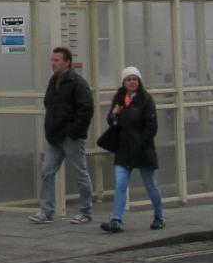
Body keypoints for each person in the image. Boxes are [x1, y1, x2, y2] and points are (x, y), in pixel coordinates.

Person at [31, 46, 95, 224]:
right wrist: (50, 128)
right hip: (55, 136)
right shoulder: (54, 81)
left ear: (67, 62)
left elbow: (86, 109)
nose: (53, 63)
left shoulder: (78, 83)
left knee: (80, 173)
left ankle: (85, 211)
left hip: (71, 136)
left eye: (57, 60)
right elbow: (49, 104)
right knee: (47, 171)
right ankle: (46, 212)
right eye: (52, 60)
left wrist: (74, 131)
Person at [100, 66, 165, 233]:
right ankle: (116, 220)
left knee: (150, 184)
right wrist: (114, 114)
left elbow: (152, 127)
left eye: (134, 79)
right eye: (128, 79)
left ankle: (159, 216)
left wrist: (141, 142)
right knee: (120, 184)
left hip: (142, 149)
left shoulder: (146, 100)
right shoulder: (120, 98)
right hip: (124, 149)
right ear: (123, 82)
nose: (132, 82)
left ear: (139, 81)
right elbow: (112, 122)